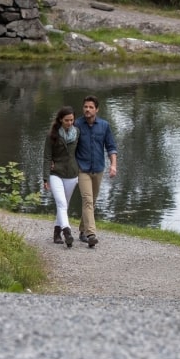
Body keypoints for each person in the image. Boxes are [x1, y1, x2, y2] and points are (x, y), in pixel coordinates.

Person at [74, 94, 118, 249]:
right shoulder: (76, 124)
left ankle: (81, 230)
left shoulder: (104, 126)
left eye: (91, 107)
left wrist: (113, 165)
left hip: (98, 169)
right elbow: (70, 146)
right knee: (87, 200)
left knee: (91, 202)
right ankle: (91, 234)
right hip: (82, 169)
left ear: (96, 110)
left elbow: (111, 147)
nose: (87, 109)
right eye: (85, 107)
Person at [42, 106, 80, 248]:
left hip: (71, 174)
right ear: (60, 120)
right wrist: (45, 177)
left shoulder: (77, 133)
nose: (70, 123)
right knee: (62, 203)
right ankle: (67, 232)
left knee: (63, 205)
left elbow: (81, 152)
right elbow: (47, 157)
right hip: (55, 173)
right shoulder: (52, 135)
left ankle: (56, 232)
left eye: (72, 120)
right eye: (67, 120)